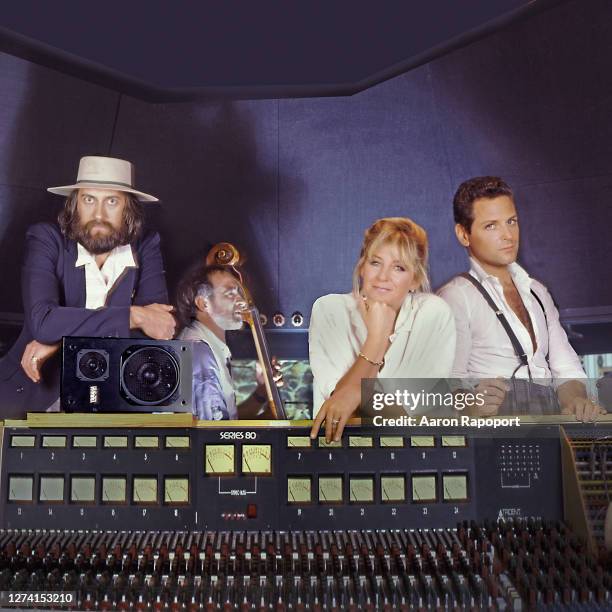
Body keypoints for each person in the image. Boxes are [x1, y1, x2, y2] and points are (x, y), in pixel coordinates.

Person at [0, 156, 176, 417]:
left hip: (109, 403)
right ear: (75, 204)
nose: (98, 215)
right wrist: (134, 315)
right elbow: (44, 322)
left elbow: (159, 331)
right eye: (89, 199)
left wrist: (59, 342)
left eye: (112, 201)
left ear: (129, 209)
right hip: (32, 398)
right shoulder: (46, 239)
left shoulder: (146, 246)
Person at [437, 176, 601, 420]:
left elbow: (567, 369)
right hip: (494, 436)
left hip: (549, 427)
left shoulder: (537, 292)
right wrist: (471, 405)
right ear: (463, 234)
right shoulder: (456, 297)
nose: (508, 235)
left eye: (511, 222)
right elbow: (447, 384)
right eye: (491, 226)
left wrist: (576, 400)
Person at [309, 217, 456, 441]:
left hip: (411, 453)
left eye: (399, 267)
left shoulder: (433, 313)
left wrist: (354, 394)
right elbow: (341, 409)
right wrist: (377, 339)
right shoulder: (329, 310)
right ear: (362, 267)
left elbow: (400, 419)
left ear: (415, 279)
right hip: (338, 451)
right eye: (375, 263)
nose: (382, 277)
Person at [176, 263, 281, 420]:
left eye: (240, 292)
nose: (243, 301)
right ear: (203, 304)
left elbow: (230, 420)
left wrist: (263, 392)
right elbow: (214, 435)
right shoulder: (199, 352)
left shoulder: (209, 347)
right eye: (231, 294)